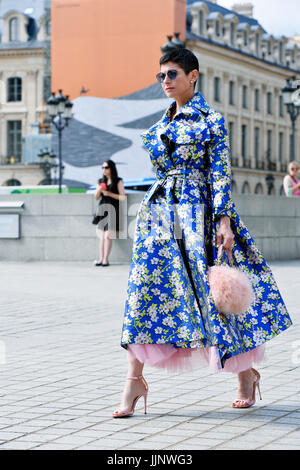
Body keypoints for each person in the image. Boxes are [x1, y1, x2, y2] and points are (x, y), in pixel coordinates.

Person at [113, 48, 292, 417]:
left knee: (216, 296)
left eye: (172, 74)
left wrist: (223, 221)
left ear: (193, 76)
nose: (165, 81)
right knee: (145, 291)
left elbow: (220, 172)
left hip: (200, 212)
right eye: (161, 75)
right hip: (161, 214)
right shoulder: (164, 121)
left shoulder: (210, 119)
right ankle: (134, 381)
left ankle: (245, 374)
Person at [94, 160, 125, 266]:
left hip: (113, 209)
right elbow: (96, 197)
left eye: (106, 167)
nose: (104, 170)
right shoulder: (101, 181)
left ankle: (106, 259)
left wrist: (109, 194)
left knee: (108, 236)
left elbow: (122, 197)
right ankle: (101, 259)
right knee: (102, 236)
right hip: (103, 208)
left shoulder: (118, 181)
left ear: (111, 168)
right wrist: (99, 190)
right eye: (102, 167)